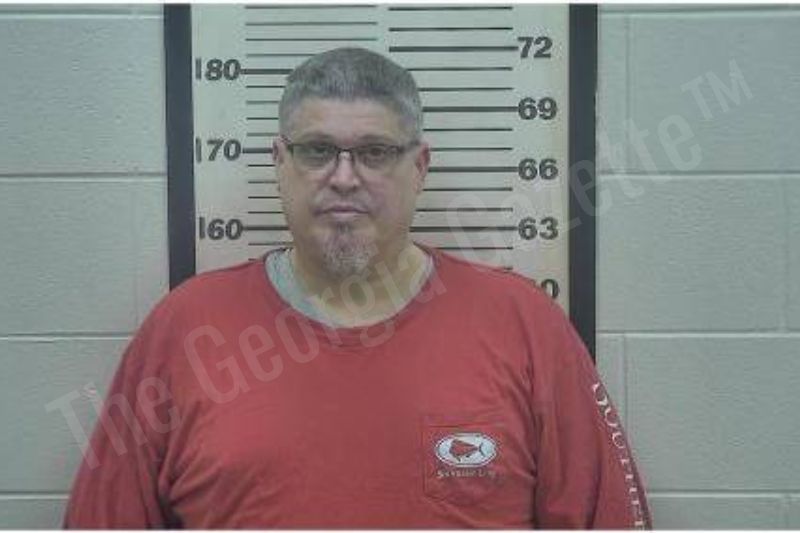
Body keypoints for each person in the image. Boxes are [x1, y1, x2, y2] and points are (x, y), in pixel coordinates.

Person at [63, 47, 651, 529]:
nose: (344, 178)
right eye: (317, 150)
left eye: (374, 153)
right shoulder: (185, 331)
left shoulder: (525, 326)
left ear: (419, 167)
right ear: (279, 162)